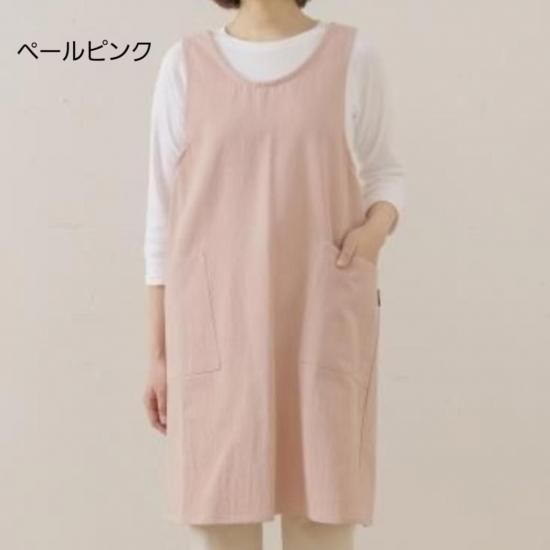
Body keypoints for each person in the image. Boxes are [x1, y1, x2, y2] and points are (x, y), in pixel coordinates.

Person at [143, 0, 406, 548]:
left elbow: (385, 172)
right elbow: (161, 219)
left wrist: (374, 233)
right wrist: (159, 354)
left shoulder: (353, 55)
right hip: (218, 327)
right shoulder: (184, 65)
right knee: (224, 516)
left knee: (319, 515)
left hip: (320, 316)